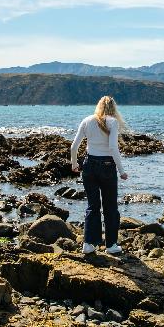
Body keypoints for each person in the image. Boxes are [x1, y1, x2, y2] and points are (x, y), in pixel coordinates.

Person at [70, 96, 129, 255]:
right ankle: (111, 246)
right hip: (107, 166)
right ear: (113, 108)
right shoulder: (113, 122)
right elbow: (112, 148)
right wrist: (121, 170)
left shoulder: (87, 120)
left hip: (88, 165)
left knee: (92, 206)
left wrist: (74, 164)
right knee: (110, 207)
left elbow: (74, 146)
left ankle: (88, 244)